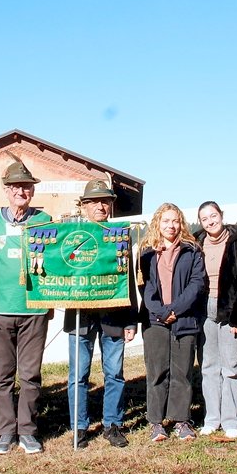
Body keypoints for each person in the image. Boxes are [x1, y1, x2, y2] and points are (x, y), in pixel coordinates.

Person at [0, 159, 53, 455]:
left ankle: (27, 431)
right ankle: (5, 432)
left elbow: (58, 261)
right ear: (6, 190)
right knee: (3, 377)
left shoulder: (45, 220)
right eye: (15, 187)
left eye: (26, 186)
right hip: (0, 310)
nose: (20, 191)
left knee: (31, 375)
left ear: (32, 191)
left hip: (35, 309)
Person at [63, 180, 137, 449]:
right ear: (83, 206)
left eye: (105, 201)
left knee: (114, 373)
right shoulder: (69, 235)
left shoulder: (118, 235)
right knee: (78, 375)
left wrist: (131, 319)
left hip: (113, 315)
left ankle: (112, 424)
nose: (100, 206)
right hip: (80, 317)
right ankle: (79, 427)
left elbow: (126, 279)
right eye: (94, 201)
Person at [138, 202, 207, 442]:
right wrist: (160, 312)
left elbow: (197, 284)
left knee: (182, 371)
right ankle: (156, 422)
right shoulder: (146, 252)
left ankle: (181, 420)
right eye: (166, 221)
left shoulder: (192, 250)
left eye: (175, 221)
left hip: (185, 319)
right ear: (158, 223)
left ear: (181, 224)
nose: (171, 225)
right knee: (157, 371)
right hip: (155, 320)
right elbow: (144, 286)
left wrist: (175, 310)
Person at [194, 201, 237, 440]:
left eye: (213, 216)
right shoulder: (196, 245)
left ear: (222, 215)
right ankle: (212, 418)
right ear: (200, 223)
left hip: (231, 310)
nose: (210, 221)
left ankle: (232, 420)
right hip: (204, 311)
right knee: (209, 367)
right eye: (205, 219)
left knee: (231, 366)